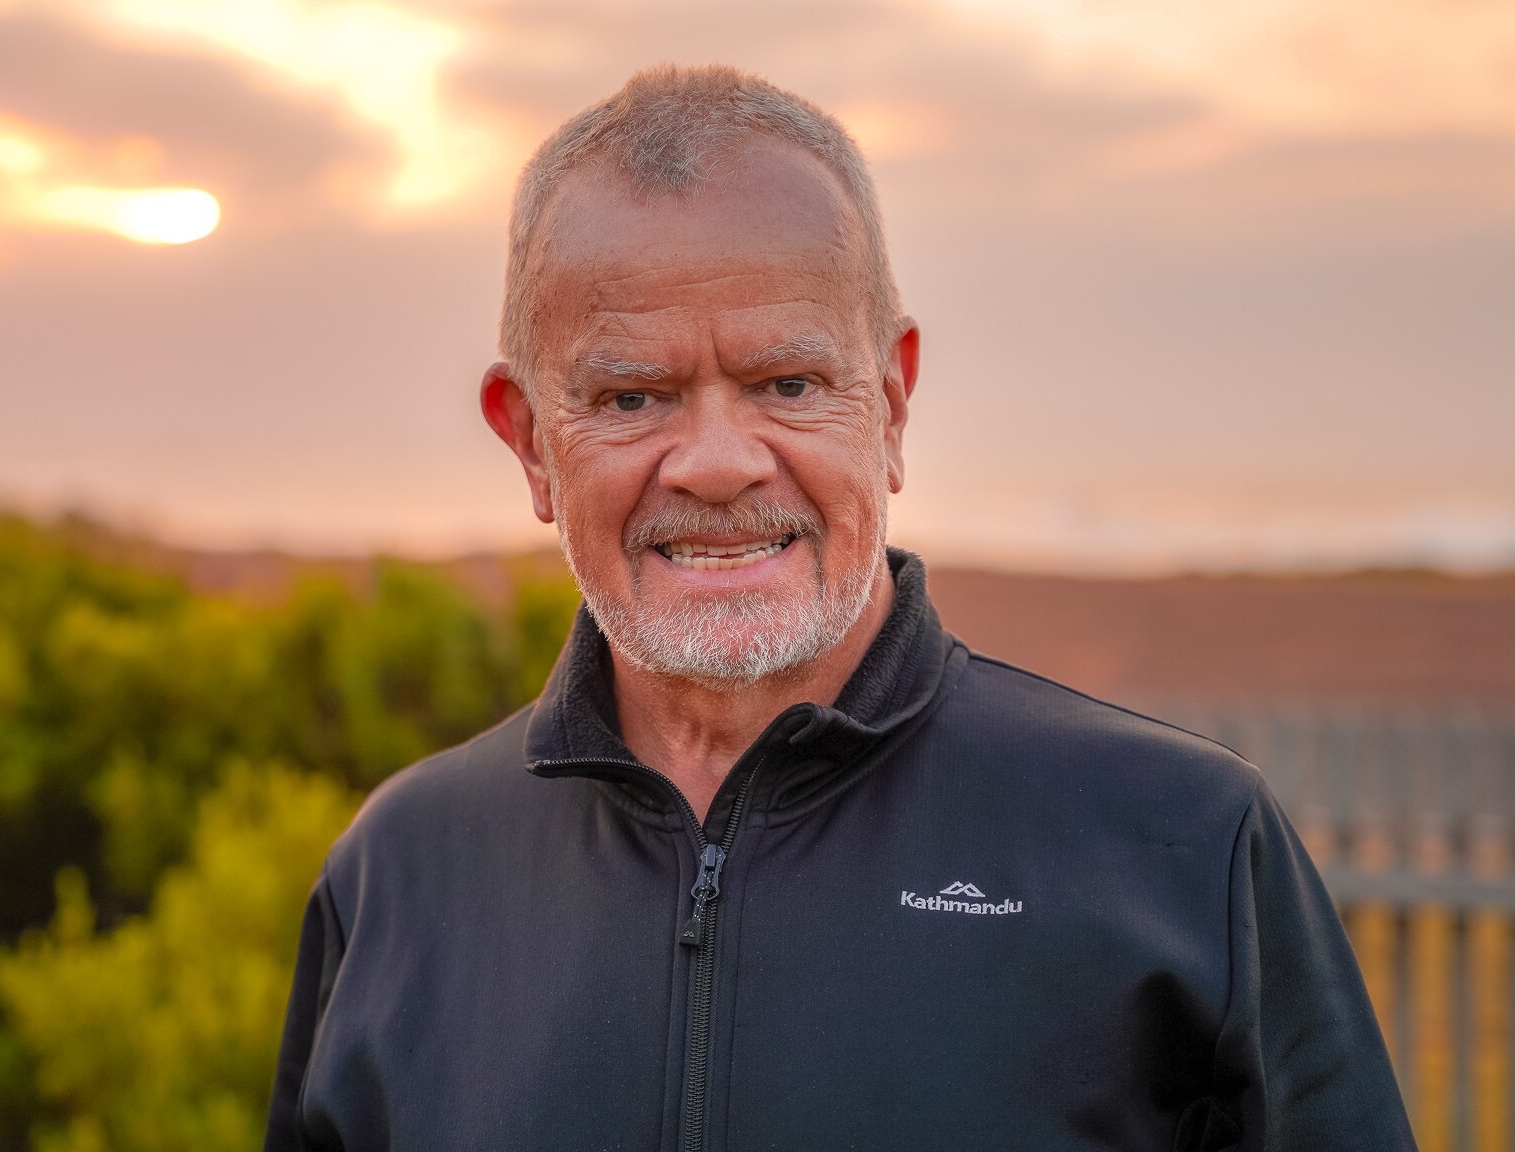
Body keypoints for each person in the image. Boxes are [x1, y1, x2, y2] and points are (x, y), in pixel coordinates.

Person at [265, 64, 1412, 1151]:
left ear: (892, 404)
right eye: (630, 395)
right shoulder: (398, 877)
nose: (716, 463)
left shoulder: (1181, 845)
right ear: (528, 442)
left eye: (788, 384)